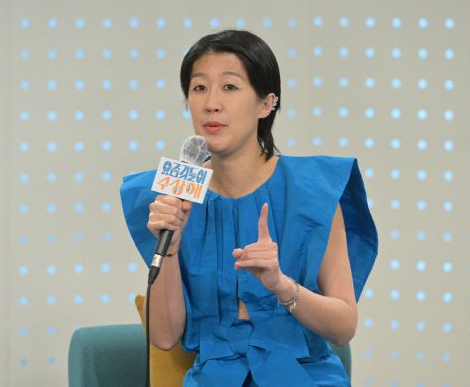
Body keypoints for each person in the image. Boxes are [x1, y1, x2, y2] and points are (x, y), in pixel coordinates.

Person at [120, 30, 377, 386]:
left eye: (229, 87)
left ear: (266, 104)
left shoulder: (311, 191)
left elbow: (344, 327)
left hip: (303, 376)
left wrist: (281, 285)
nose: (211, 103)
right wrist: (172, 247)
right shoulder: (174, 193)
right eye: (199, 88)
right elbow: (164, 337)